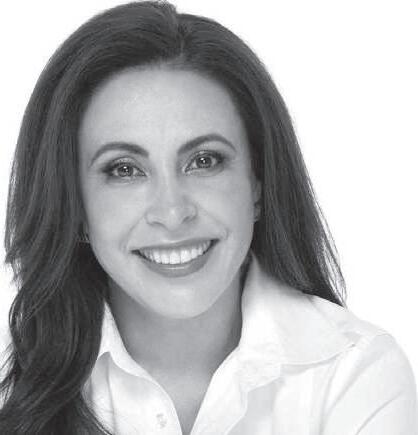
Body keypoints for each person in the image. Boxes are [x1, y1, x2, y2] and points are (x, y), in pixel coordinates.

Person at [0, 1, 417, 434]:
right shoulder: (8, 380)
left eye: (204, 161)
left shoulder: (356, 375)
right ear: (74, 206)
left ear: (258, 184)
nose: (172, 212)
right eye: (124, 169)